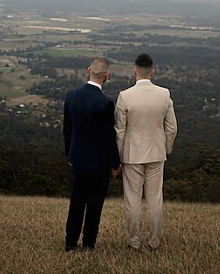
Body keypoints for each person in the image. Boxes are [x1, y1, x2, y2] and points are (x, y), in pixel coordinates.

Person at [115, 53, 178, 251]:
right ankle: (154, 242)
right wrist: (166, 148)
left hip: (132, 155)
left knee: (132, 200)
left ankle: (134, 242)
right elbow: (172, 128)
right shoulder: (164, 94)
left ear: (135, 71)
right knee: (155, 199)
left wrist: (118, 158)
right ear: (153, 71)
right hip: (156, 153)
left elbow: (119, 131)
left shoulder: (125, 96)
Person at [63, 57, 122, 251]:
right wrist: (115, 164)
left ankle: (70, 243)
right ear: (107, 75)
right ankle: (89, 243)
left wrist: (69, 154)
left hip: (78, 158)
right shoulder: (105, 103)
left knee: (77, 201)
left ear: (88, 70)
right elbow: (108, 138)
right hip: (98, 162)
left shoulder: (71, 96)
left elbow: (67, 129)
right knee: (95, 204)